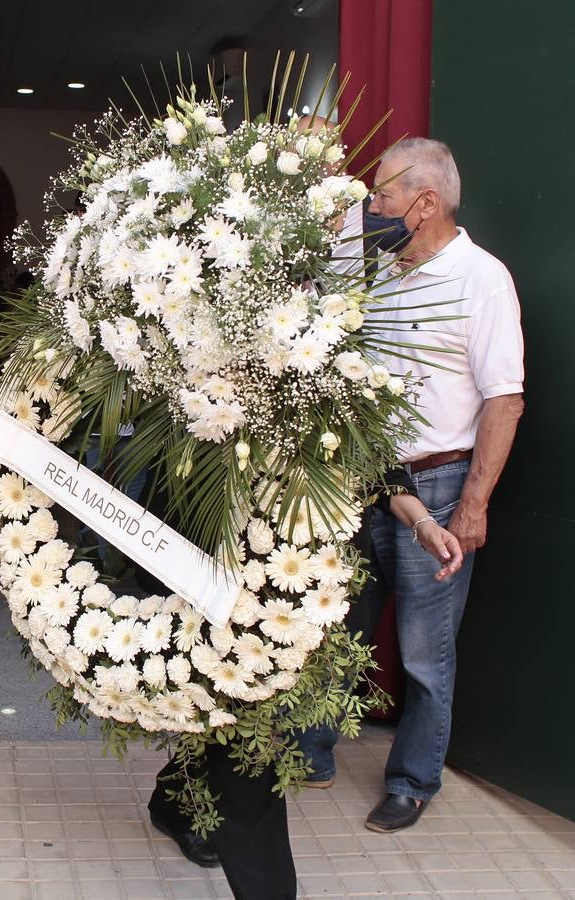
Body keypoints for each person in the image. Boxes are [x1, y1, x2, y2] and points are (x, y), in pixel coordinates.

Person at [298, 138, 525, 833]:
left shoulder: (481, 279)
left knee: (426, 649)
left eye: (384, 196)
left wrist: (474, 505)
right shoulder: (378, 266)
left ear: (426, 204)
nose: (374, 206)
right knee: (340, 628)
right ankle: (311, 749)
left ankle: (414, 779)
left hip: (443, 483)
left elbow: (504, 400)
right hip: (365, 478)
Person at [148, 479, 465, 899]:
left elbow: (376, 467)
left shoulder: (348, 417)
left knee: (237, 719)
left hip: (327, 576)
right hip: (236, 561)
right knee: (247, 736)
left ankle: (174, 799)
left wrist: (421, 521)